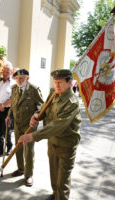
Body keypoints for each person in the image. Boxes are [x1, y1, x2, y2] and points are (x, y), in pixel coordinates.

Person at [19, 69, 81, 200]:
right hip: (52, 142)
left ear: (70, 82)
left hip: (66, 144)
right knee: (54, 172)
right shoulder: (54, 93)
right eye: (55, 82)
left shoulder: (72, 102)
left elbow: (58, 125)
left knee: (63, 178)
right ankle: (55, 194)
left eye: (60, 82)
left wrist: (32, 136)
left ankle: (61, 197)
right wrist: (37, 115)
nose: (56, 85)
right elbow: (44, 108)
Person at [5, 69, 43, 187]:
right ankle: (21, 169)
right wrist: (9, 116)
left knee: (28, 150)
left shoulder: (33, 89)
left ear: (28, 78)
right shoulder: (15, 89)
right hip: (17, 124)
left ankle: (29, 175)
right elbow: (13, 104)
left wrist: (36, 115)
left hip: (29, 125)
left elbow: (42, 106)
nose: (19, 80)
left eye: (22, 78)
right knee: (18, 147)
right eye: (17, 78)